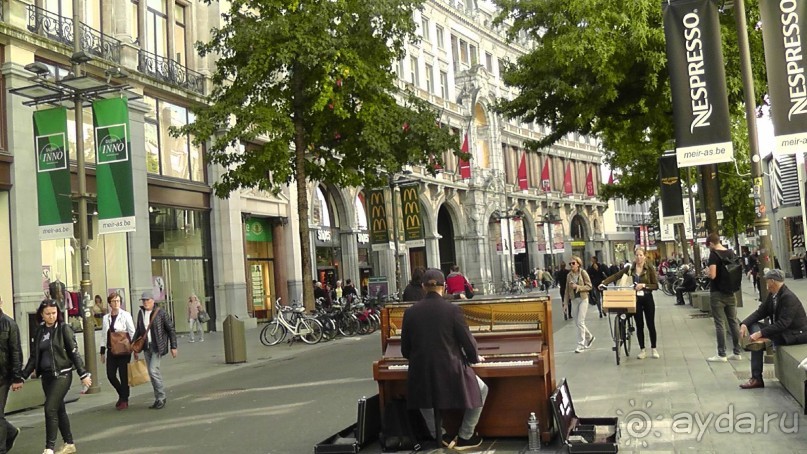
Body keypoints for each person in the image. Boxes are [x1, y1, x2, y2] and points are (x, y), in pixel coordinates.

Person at [400, 269, 487, 450]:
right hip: (451, 371)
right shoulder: (453, 310)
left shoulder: (410, 312)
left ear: (423, 287)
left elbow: (405, 350)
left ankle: (439, 434)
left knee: (423, 395)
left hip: (421, 371)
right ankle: (465, 436)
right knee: (482, 389)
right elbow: (468, 343)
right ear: (444, 287)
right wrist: (473, 358)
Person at [23, 299, 92, 454]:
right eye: (47, 314)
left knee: (49, 408)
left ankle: (49, 448)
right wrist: (23, 375)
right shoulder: (40, 331)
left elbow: (74, 353)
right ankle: (69, 443)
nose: (51, 316)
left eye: (54, 313)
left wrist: (83, 374)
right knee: (59, 409)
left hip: (62, 374)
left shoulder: (64, 329)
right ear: (41, 314)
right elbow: (34, 356)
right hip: (47, 376)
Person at [738, 269, 807, 389]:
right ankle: (757, 372)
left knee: (757, 336)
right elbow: (760, 312)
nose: (765, 284)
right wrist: (744, 324)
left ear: (773, 281)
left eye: (767, 281)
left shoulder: (788, 297)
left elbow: (783, 324)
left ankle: (756, 377)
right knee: (752, 325)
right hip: (781, 330)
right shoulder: (773, 295)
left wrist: (760, 333)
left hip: (793, 333)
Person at [600, 247, 660, 359]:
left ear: (645, 256)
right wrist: (604, 283)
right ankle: (642, 350)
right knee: (639, 324)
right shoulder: (630, 269)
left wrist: (644, 286)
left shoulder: (649, 268)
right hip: (635, 299)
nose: (639, 257)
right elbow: (616, 276)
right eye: (637, 255)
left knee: (650, 324)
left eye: (641, 255)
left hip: (647, 298)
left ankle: (654, 348)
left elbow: (656, 285)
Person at [133, 291, 177, 410]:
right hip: (146, 346)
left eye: (148, 300)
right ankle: (158, 398)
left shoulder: (161, 313)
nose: (145, 302)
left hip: (158, 346)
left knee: (153, 370)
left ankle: (161, 397)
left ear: (153, 301)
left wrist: (174, 346)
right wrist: (134, 346)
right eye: (144, 300)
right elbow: (139, 330)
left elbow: (170, 329)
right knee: (152, 373)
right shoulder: (141, 313)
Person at [705, 233, 742, 363]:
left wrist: (707, 272)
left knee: (720, 323)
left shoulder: (714, 255)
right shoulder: (731, 253)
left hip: (717, 293)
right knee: (733, 322)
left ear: (711, 243)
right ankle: (737, 352)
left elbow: (713, 275)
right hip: (731, 292)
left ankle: (722, 354)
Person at [99, 293, 136, 410]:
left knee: (123, 375)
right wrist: (102, 352)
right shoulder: (106, 318)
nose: (116, 303)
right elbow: (104, 335)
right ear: (110, 303)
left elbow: (132, 332)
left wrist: (135, 348)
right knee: (110, 375)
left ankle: (124, 399)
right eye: (114, 301)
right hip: (111, 350)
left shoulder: (125, 315)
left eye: (118, 301)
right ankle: (122, 393)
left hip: (124, 350)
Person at [0, 296, 23, 453]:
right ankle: (11, 431)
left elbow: (16, 352)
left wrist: (16, 377)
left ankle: (1, 448)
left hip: (3, 376)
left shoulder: (9, 324)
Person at [564, 256, 594, 353]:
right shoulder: (569, 275)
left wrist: (578, 287)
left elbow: (589, 286)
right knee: (577, 322)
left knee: (580, 321)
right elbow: (567, 290)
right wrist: (565, 303)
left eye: (573, 263)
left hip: (583, 298)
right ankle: (590, 337)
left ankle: (581, 344)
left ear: (578, 264)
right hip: (574, 300)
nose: (571, 265)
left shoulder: (583, 273)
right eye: (570, 264)